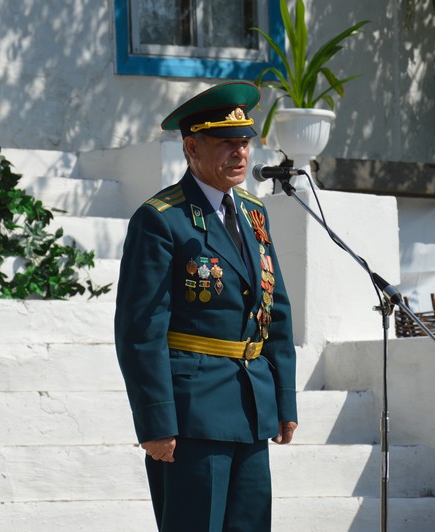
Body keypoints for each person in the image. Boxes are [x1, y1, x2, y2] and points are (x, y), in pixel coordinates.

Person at [114, 80, 298, 531]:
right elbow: (140, 331)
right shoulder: (162, 219)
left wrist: (284, 400)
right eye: (225, 143)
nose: (240, 153)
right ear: (192, 147)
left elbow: (274, 309)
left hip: (252, 408)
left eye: (244, 142)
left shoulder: (254, 212)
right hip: (192, 416)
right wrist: (156, 421)